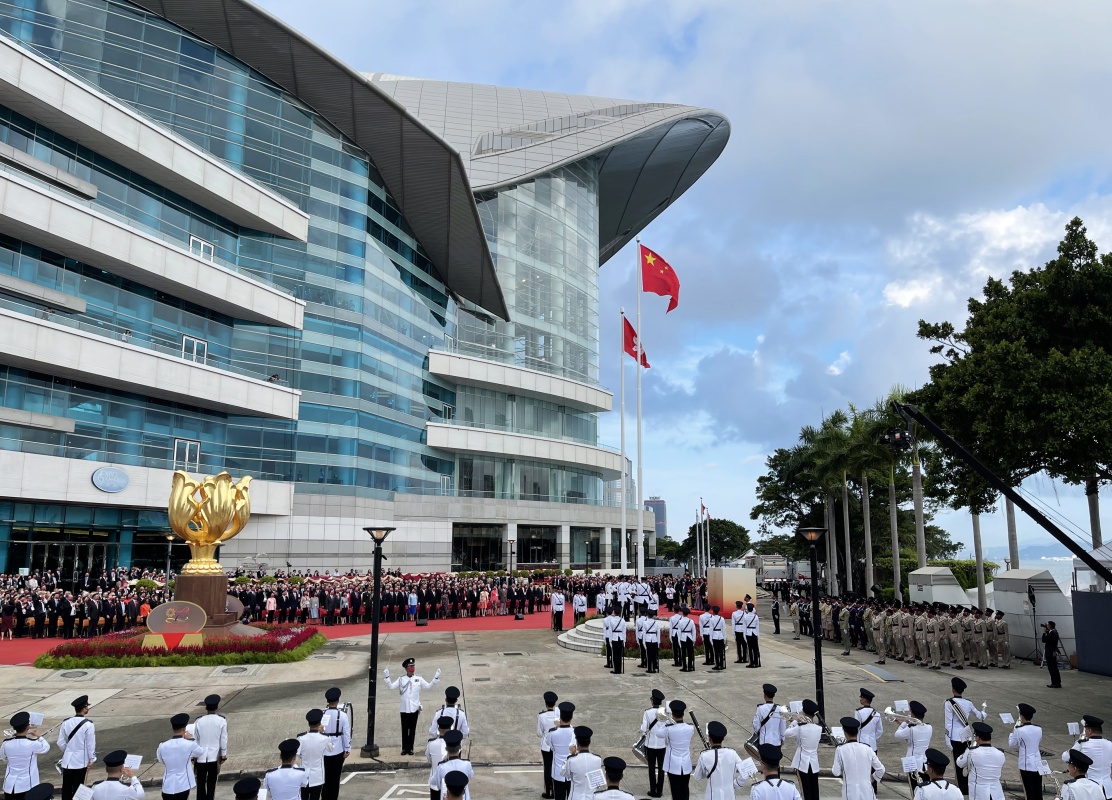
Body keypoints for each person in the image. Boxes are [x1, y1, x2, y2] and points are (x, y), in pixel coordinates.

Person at [385, 659, 441, 756]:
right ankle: (404, 748)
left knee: (412, 729)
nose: (412, 668)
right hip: (404, 708)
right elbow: (391, 686)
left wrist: (435, 678)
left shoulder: (418, 678)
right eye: (410, 666)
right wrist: (387, 676)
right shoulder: (401, 679)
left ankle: (410, 748)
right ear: (406, 668)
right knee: (404, 729)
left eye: (413, 666)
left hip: (414, 708)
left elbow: (428, 686)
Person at [944, 677, 985, 796]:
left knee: (958, 765)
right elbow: (980, 716)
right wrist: (984, 711)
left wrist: (947, 740)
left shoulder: (949, 703)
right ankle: (967, 788)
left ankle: (962, 790)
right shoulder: (968, 703)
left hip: (955, 737)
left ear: (953, 689)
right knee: (967, 763)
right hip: (967, 737)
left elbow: (948, 723)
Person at [831, 717, 884, 800]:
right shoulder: (867, 748)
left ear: (845, 732)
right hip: (867, 793)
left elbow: (836, 772)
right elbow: (881, 769)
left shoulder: (840, 749)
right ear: (857, 732)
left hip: (850, 793)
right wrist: (872, 778)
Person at [1, 712, 50, 800]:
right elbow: (46, 748)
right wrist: (39, 736)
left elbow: (4, 758)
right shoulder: (32, 744)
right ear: (28, 727)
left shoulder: (6, 744)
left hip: (9, 786)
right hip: (26, 785)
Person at [1062, 715, 1112, 797]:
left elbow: (1065, 757)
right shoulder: (1110, 744)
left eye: (1085, 729)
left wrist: (1077, 743)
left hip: (1091, 790)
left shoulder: (1082, 745)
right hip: (1108, 789)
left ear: (1089, 730)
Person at [693, 720, 744, 800]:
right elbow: (746, 771)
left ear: (709, 738)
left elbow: (696, 776)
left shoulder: (705, 755)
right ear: (723, 738)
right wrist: (735, 784)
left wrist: (707, 771)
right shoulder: (732, 753)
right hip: (729, 796)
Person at [56, 696, 95, 800]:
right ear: (84, 708)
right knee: (78, 790)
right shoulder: (88, 724)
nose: (88, 709)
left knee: (67, 788)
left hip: (67, 762)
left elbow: (60, 742)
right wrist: (92, 759)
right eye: (87, 707)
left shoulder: (66, 722)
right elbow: (90, 745)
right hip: (81, 762)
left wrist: (68, 751)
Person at [155, 714, 202, 800]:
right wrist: (190, 739)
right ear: (184, 729)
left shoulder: (162, 745)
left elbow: (161, 760)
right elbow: (200, 752)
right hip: (183, 785)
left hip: (167, 786)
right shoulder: (189, 744)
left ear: (173, 729)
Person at [784, 699, 822, 800]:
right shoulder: (819, 728)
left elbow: (786, 733)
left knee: (805, 791)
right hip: (814, 763)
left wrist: (795, 721)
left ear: (804, 713)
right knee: (814, 790)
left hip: (802, 763)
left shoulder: (800, 728)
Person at [956, 723, 1005, 800]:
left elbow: (960, 763)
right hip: (996, 794)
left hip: (979, 794)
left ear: (978, 738)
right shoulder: (1000, 753)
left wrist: (968, 750)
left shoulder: (971, 752)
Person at [193, 695, 226, 800]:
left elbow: (196, 739)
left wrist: (194, 755)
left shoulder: (198, 721)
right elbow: (223, 739)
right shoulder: (221, 720)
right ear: (217, 707)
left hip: (200, 757)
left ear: (206, 707)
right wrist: (223, 754)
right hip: (214, 756)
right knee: (212, 783)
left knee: (200, 783)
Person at [320, 688, 350, 800]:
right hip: (338, 749)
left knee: (325, 777)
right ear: (338, 700)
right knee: (335, 777)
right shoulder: (342, 715)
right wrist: (347, 748)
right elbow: (346, 733)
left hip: (324, 750)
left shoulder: (322, 714)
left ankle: (325, 797)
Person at [297, 709, 333, 800]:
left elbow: (298, 754)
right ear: (320, 723)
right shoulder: (325, 738)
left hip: (304, 774)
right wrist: (323, 732)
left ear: (309, 724)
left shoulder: (301, 738)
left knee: (303, 797)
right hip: (317, 776)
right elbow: (331, 749)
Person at [1009, 704, 1042, 800]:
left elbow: (1012, 744)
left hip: (1026, 765)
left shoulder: (1019, 730)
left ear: (1021, 716)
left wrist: (1012, 732)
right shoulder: (1039, 728)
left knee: (1029, 792)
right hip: (1037, 763)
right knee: (1037, 791)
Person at [663, 700, 695, 800]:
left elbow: (658, 733)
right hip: (686, 765)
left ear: (672, 714)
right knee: (685, 790)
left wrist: (668, 720)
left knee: (675, 792)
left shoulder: (669, 728)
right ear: (683, 713)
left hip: (673, 765)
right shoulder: (690, 728)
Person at [543, 703, 576, 800]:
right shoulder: (575, 732)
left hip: (558, 773)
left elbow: (549, 744)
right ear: (571, 717)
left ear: (560, 717)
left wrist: (556, 727)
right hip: (571, 772)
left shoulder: (552, 733)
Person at [562, 726, 602, 800]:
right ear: (590, 742)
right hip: (591, 797)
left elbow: (563, 773)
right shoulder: (598, 759)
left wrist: (570, 754)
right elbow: (597, 782)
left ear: (577, 742)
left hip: (575, 797)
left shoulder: (571, 760)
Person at [642, 690, 669, 799]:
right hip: (662, 745)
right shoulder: (665, 712)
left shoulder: (647, 712)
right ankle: (659, 791)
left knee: (651, 768)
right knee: (662, 768)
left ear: (652, 700)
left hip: (651, 745)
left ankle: (653, 790)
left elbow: (643, 729)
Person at [431, 732, 471, 800]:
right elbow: (470, 776)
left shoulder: (442, 767)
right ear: (460, 747)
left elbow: (435, 783)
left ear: (446, 748)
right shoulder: (467, 764)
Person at [537, 691, 559, 799]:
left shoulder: (541, 716)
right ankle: (556, 790)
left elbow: (539, 733)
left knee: (547, 767)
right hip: (556, 744)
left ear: (546, 704)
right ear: (554, 704)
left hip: (546, 745)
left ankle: (548, 791)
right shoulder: (558, 715)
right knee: (556, 766)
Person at [854, 688, 882, 753]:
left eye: (861, 698)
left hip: (861, 744)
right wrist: (873, 738)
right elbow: (879, 730)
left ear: (864, 699)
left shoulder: (858, 712)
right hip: (873, 746)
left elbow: (856, 728)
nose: (860, 699)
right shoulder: (877, 714)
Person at [1042, 621, 1062, 688]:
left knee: (1051, 668)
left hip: (1050, 653)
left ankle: (1054, 683)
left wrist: (1044, 633)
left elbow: (1044, 640)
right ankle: (1057, 682)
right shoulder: (1055, 632)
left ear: (1050, 626)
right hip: (1052, 652)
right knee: (1054, 668)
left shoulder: (1051, 634)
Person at [607, 607, 626, 675]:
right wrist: (624, 641)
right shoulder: (623, 621)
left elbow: (610, 632)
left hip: (614, 638)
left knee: (615, 655)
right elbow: (624, 632)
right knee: (619, 654)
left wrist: (610, 641)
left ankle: (616, 669)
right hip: (620, 638)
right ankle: (619, 669)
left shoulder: (611, 621)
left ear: (614, 613)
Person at [708, 607, 727, 671]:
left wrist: (710, 638)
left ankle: (717, 664)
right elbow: (724, 629)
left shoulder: (711, 619)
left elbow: (711, 629)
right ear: (718, 612)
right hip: (721, 636)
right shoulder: (722, 619)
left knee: (716, 652)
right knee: (721, 652)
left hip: (715, 636)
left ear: (713, 612)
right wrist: (724, 638)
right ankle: (721, 664)